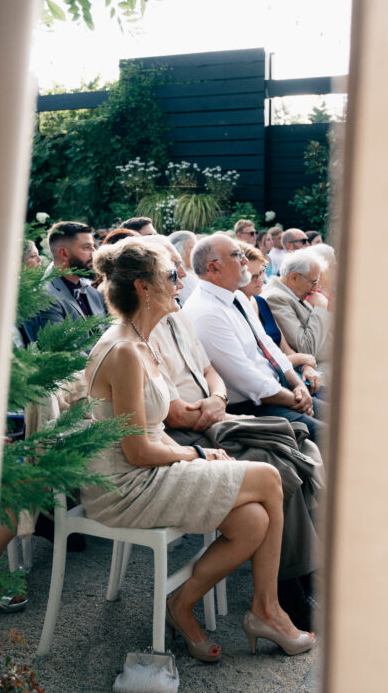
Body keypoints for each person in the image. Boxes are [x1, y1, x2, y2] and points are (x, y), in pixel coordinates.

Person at [81, 238, 315, 661]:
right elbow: (137, 451)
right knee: (266, 476)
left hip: (149, 467)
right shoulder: (125, 351)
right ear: (142, 287)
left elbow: (150, 429)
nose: (181, 280)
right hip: (122, 485)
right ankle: (269, 610)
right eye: (171, 276)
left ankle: (181, 603)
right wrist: (200, 455)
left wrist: (199, 453)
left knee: (252, 519)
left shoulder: (141, 340)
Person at [183, 234, 327, 439]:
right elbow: (247, 380)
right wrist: (297, 400)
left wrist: (296, 385)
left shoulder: (238, 296)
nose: (244, 261)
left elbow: (268, 346)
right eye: (236, 255)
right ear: (214, 268)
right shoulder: (207, 312)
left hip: (279, 390)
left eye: (242, 254)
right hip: (253, 406)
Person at [237, 244, 320, 393]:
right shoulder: (236, 309)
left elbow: (285, 348)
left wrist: (306, 367)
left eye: (262, 271)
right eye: (253, 276)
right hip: (267, 388)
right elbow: (259, 363)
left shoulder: (260, 302)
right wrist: (302, 359)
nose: (260, 279)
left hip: (287, 376)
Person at [263, 250, 334, 381]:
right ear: (294, 277)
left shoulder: (290, 293)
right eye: (313, 282)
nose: (315, 289)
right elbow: (306, 348)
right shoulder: (275, 297)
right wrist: (320, 308)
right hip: (320, 370)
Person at [42, 221, 106, 326]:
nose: (94, 252)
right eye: (86, 247)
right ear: (64, 253)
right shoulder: (46, 298)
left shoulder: (94, 294)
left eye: (93, 246)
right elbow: (59, 342)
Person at [168, 229, 198, 305]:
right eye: (192, 248)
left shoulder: (192, 275)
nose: (196, 252)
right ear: (179, 251)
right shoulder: (184, 279)